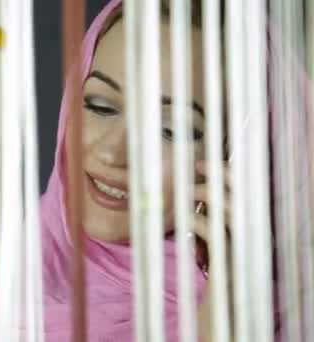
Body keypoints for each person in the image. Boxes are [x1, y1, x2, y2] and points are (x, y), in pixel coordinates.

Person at [38, 0, 244, 340]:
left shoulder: (288, 316)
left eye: (170, 130)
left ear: (234, 155)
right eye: (100, 105)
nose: (113, 152)